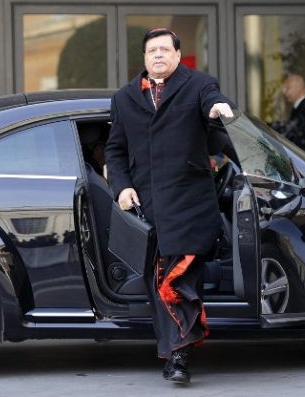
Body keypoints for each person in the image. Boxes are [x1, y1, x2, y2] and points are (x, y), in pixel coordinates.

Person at [105, 28, 235, 384]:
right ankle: (173, 350)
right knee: (158, 283)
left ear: (178, 55)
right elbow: (115, 151)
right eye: (152, 50)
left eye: (165, 49)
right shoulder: (125, 98)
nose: (158, 55)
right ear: (144, 58)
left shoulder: (197, 85)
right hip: (148, 211)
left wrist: (220, 107)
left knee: (177, 281)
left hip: (190, 206)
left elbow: (212, 99)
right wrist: (122, 187)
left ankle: (179, 356)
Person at [271, 74, 305, 157]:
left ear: (300, 88)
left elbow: (290, 129)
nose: (284, 91)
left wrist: (263, 125)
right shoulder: (303, 104)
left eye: (287, 87)